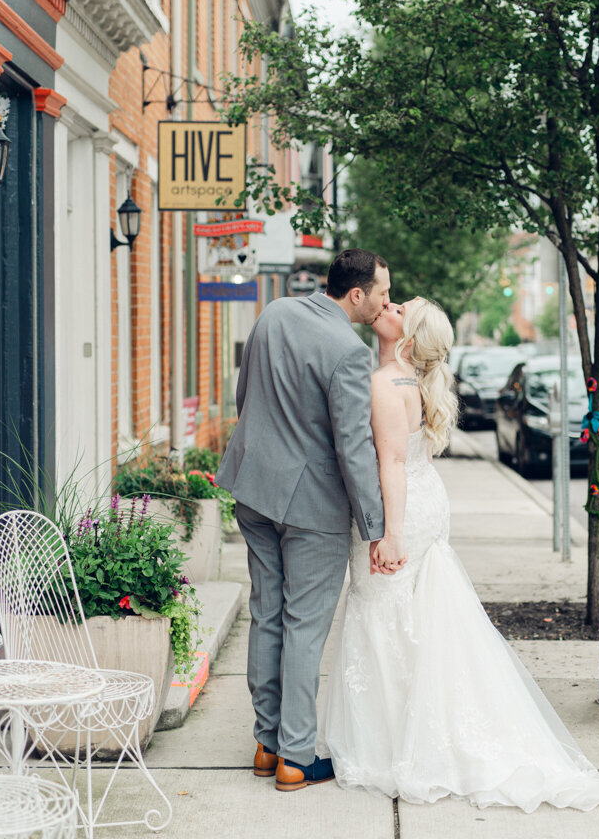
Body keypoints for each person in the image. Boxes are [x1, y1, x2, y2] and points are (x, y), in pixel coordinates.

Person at [318, 297, 599, 811]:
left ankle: (391, 744)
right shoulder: (409, 382)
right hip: (424, 501)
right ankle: (411, 729)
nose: (387, 304)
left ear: (407, 341)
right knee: (415, 621)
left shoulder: (386, 384)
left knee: (385, 619)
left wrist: (389, 535)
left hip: (402, 512)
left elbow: (390, 464)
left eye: (398, 308)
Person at [215, 249, 398, 793]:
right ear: (357, 294)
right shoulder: (350, 351)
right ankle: (297, 756)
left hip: (252, 487)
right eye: (383, 291)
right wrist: (377, 526)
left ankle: (267, 745)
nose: (387, 300)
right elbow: (354, 448)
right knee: (304, 625)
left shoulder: (273, 314)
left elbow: (245, 396)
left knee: (266, 612)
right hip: (312, 506)